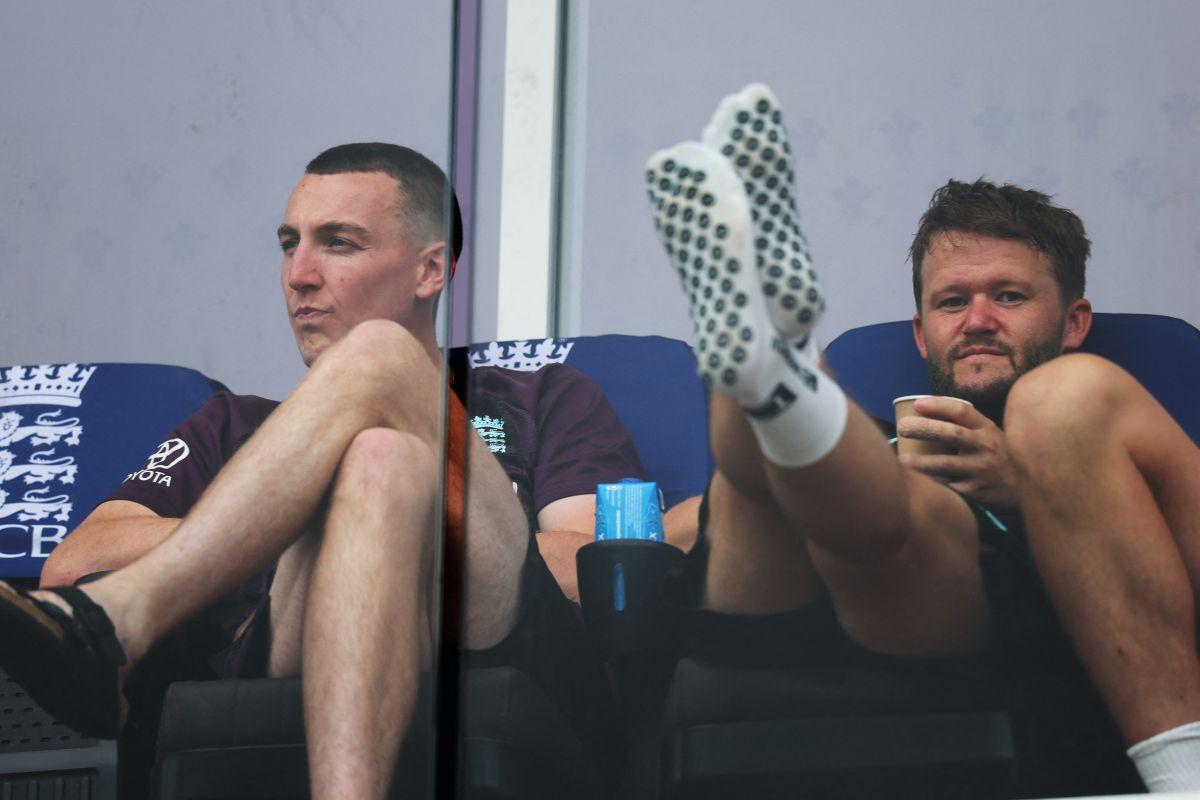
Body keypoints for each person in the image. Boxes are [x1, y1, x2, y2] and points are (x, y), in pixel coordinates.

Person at [0, 142, 644, 799]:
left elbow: (587, 566)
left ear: (430, 269)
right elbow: (75, 563)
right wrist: (310, 511)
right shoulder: (232, 424)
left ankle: (115, 619)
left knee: (383, 370)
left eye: (338, 243)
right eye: (290, 244)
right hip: (289, 650)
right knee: (381, 461)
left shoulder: (542, 397)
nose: (299, 275)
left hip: (503, 643)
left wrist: (319, 509)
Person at [646, 83, 1200, 795]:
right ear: (919, 332)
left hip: (955, 609)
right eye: (951, 301)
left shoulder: (1108, 415)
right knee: (756, 491)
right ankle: (772, 362)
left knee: (988, 453)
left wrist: (1030, 489)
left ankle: (778, 363)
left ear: (1073, 322)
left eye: (1008, 296)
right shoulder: (883, 433)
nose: (977, 320)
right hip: (776, 607)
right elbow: (683, 530)